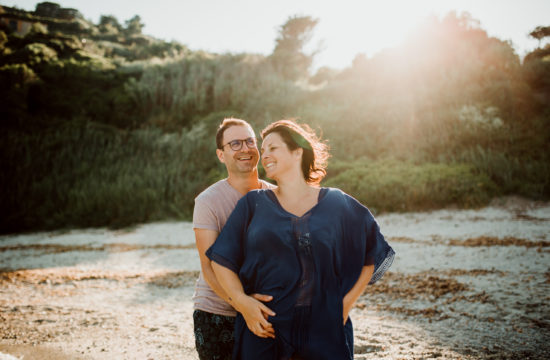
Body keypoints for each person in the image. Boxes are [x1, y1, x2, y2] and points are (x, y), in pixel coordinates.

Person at [206, 119, 395, 360]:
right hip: (265, 329)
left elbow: (372, 253)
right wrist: (243, 303)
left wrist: (345, 305)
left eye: (273, 148)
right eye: (263, 150)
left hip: (325, 332)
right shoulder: (252, 204)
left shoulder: (337, 203)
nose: (264, 156)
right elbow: (221, 260)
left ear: (297, 152)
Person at [192, 118, 275, 360]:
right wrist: (242, 305)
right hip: (217, 312)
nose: (245, 149)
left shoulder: (277, 195)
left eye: (250, 141)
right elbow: (208, 268)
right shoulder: (208, 201)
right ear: (221, 154)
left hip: (266, 311)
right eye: (235, 144)